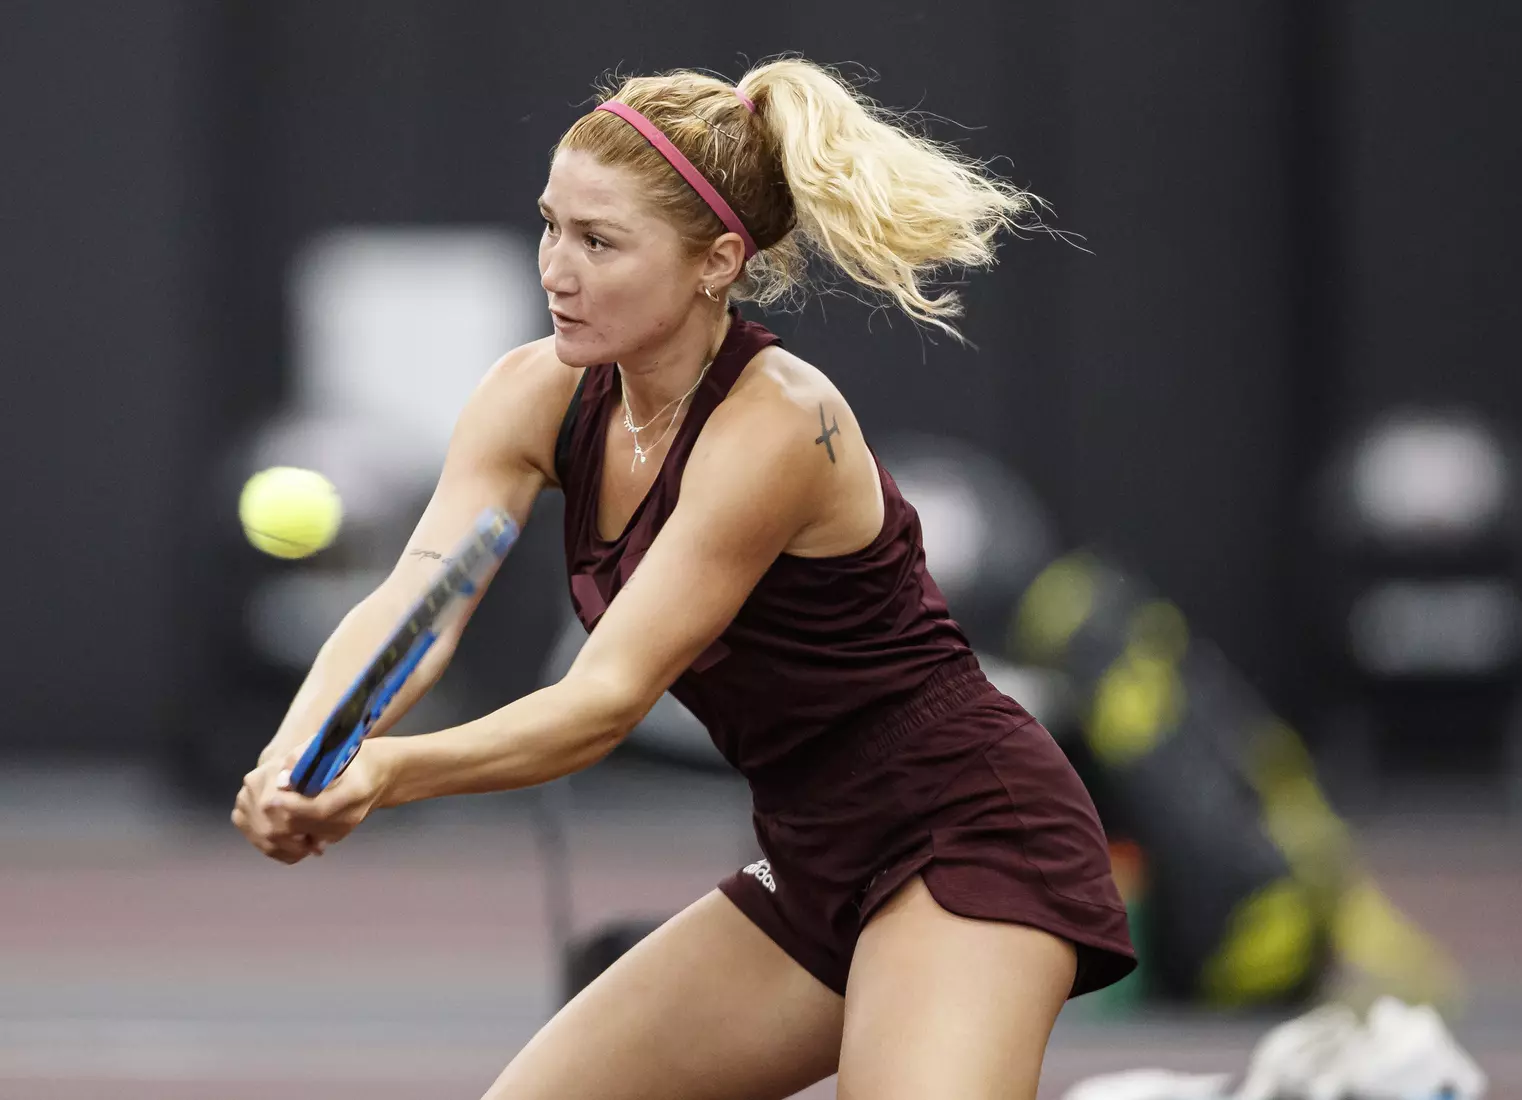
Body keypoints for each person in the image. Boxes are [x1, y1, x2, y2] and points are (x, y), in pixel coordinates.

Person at [232, 57, 1135, 1100]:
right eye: (551, 224)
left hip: (969, 827)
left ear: (715, 261)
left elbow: (603, 700)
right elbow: (409, 605)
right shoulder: (533, 392)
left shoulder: (776, 425)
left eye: (600, 240)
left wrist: (386, 773)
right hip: (812, 853)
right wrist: (300, 747)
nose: (555, 269)